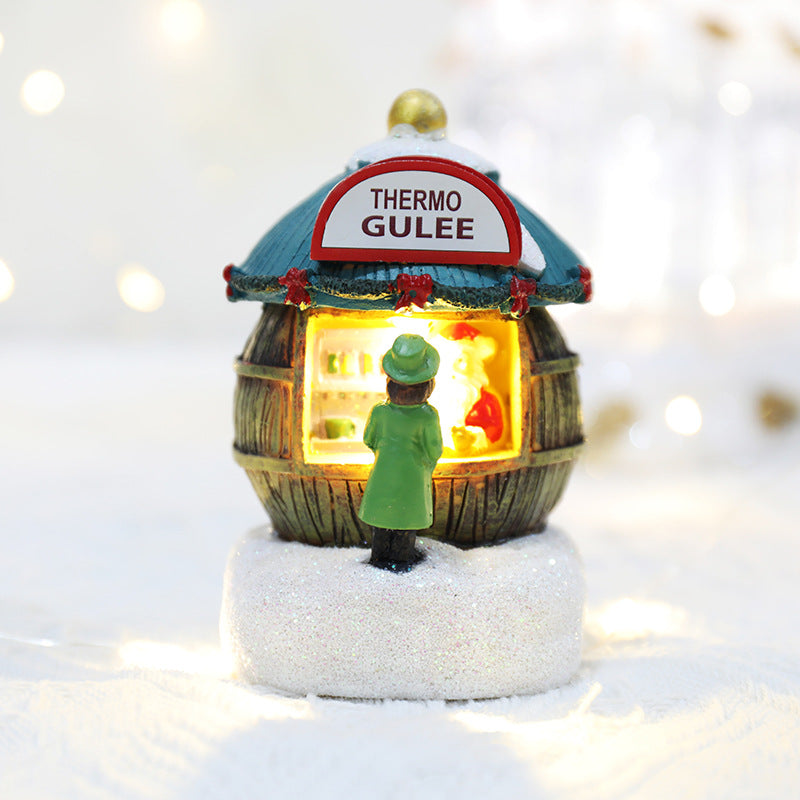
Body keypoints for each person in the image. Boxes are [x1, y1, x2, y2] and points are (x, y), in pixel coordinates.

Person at [358, 334, 443, 572]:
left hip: (383, 475)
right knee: (406, 519)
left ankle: (379, 557)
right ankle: (401, 559)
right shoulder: (428, 416)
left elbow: (369, 439)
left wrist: (385, 454)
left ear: (390, 382)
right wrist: (425, 463)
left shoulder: (380, 412)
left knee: (381, 519)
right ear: (428, 385)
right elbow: (434, 449)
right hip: (413, 478)